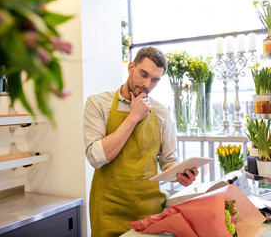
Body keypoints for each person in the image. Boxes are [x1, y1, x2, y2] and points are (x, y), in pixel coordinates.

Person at [83, 46, 199, 237]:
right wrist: (133, 117)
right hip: (108, 211)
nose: (147, 84)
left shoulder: (161, 112)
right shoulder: (97, 104)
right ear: (131, 67)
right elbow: (96, 157)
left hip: (151, 213)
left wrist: (179, 174)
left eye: (154, 80)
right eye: (143, 74)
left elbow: (168, 161)